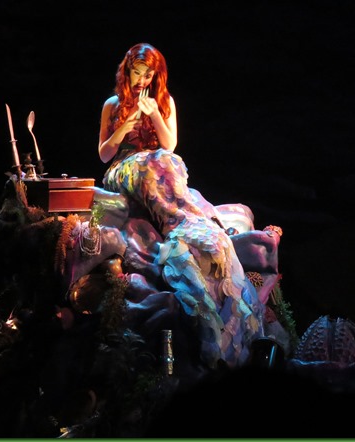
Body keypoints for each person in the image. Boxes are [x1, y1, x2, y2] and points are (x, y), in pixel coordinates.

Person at [98, 42, 264, 369]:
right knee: (150, 165)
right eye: (136, 73)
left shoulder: (165, 102)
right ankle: (174, 222)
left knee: (168, 162)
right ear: (127, 72)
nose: (142, 80)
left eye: (148, 75)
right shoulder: (113, 104)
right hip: (125, 166)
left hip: (158, 160)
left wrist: (153, 114)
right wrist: (127, 124)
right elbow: (104, 154)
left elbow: (170, 145)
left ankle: (189, 223)